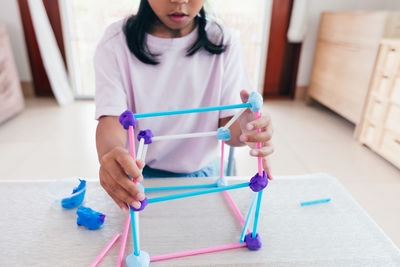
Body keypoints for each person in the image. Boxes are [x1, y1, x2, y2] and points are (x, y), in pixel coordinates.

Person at [94, 0, 274, 212]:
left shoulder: (224, 41)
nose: (179, 1)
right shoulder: (115, 42)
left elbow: (229, 126)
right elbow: (111, 119)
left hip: (204, 175)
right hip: (138, 178)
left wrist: (247, 128)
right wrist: (111, 154)